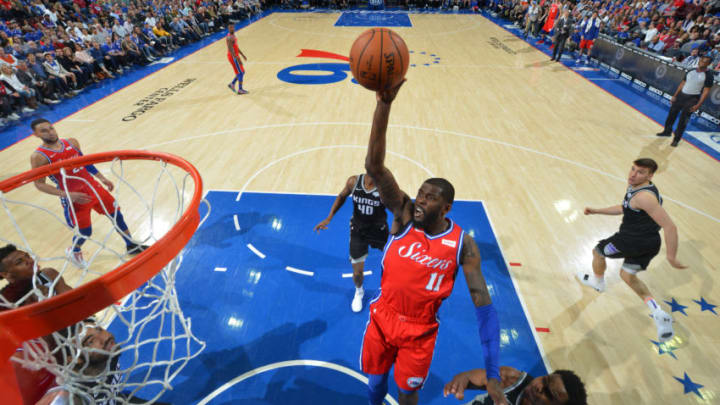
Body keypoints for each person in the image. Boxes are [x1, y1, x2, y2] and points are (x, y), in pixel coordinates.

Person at [361, 81, 506, 405]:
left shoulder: (462, 245)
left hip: (419, 331)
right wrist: (384, 105)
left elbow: (484, 308)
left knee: (407, 394)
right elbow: (374, 167)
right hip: (383, 318)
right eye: (421, 194)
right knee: (374, 386)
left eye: (431, 198)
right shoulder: (404, 214)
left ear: (447, 208)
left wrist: (493, 373)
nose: (422, 201)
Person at [577, 158, 686, 343]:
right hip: (649, 243)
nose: (633, 174)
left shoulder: (644, 197)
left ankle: (598, 282)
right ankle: (658, 313)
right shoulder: (642, 188)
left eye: (640, 172)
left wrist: (671, 256)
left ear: (650, 175)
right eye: (633, 169)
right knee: (627, 276)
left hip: (630, 241)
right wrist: (597, 210)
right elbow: (625, 208)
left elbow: (670, 227)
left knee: (598, 252)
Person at [29, 118, 148, 267]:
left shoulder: (71, 142)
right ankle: (74, 250)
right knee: (85, 232)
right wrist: (67, 195)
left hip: (93, 188)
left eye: (51, 128)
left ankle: (131, 245)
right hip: (74, 197)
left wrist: (102, 178)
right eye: (44, 131)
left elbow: (85, 162)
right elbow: (39, 185)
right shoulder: (39, 156)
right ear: (35, 134)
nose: (50, 133)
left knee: (116, 214)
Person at [313, 173, 389, 312]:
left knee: (391, 265)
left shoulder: (385, 187)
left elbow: (399, 208)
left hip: (378, 231)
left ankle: (388, 293)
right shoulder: (353, 182)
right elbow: (342, 196)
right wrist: (329, 218)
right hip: (358, 231)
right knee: (358, 273)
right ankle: (359, 291)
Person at [444, 366, 587, 405]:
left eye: (549, 394)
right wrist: (463, 378)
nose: (539, 387)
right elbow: (479, 377)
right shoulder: (513, 379)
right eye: (544, 380)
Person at [656, 54, 713, 147]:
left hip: (692, 98)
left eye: (705, 62)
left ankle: (676, 139)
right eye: (702, 60)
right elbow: (682, 83)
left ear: (709, 64)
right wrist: (675, 96)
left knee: (683, 120)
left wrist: (698, 104)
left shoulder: (708, 75)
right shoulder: (691, 70)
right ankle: (667, 131)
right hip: (680, 96)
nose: (702, 62)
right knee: (671, 115)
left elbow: (706, 92)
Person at [226, 23, 248, 94]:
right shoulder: (229, 38)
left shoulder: (233, 35)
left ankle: (232, 84)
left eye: (232, 27)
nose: (232, 28)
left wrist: (242, 55)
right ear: (228, 28)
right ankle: (240, 89)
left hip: (236, 56)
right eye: (230, 28)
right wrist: (237, 58)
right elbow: (230, 50)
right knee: (240, 72)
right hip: (233, 57)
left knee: (242, 71)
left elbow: (236, 47)